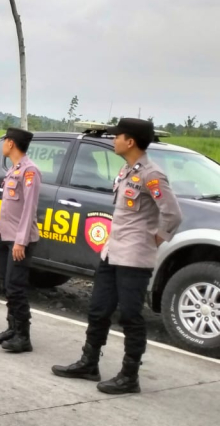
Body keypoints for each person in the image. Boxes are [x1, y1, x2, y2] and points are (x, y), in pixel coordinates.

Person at [52, 118, 182, 394]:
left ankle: (129, 375)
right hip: (112, 252)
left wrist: (154, 239)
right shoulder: (126, 171)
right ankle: (89, 362)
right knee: (98, 309)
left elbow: (172, 214)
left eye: (117, 136)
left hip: (134, 259)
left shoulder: (152, 175)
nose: (114, 140)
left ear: (130, 141)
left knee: (131, 316)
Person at [0, 128, 41, 353]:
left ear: (11, 143)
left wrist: (20, 241)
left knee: (16, 287)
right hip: (7, 236)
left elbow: (29, 209)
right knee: (8, 284)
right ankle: (12, 328)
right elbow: (8, 207)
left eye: (5, 141)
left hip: (20, 240)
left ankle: (23, 336)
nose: (3, 145)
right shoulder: (13, 170)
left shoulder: (30, 172)